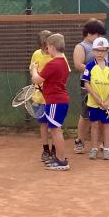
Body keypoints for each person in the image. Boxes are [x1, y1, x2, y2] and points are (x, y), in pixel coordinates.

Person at [31, 33, 71, 171]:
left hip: (55, 101)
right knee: (55, 130)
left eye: (48, 47)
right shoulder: (63, 63)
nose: (46, 50)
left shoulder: (53, 63)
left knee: (55, 131)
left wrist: (34, 69)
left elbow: (36, 79)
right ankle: (59, 159)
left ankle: (61, 161)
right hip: (60, 100)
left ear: (52, 47)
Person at [71, 18, 107, 154]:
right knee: (86, 115)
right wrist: (96, 72)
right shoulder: (81, 47)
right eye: (98, 35)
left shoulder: (102, 46)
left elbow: (106, 64)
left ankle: (106, 142)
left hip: (104, 86)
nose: (100, 37)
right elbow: (78, 65)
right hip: (87, 85)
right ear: (90, 34)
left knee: (104, 113)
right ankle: (80, 141)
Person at [82, 36, 109, 160]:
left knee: (106, 125)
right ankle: (94, 149)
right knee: (94, 125)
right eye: (97, 50)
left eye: (102, 50)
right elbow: (86, 84)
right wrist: (97, 99)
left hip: (107, 104)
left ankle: (106, 149)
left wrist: (108, 100)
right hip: (93, 103)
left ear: (107, 51)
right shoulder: (89, 66)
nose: (99, 53)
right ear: (93, 51)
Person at [29, 29, 57, 164]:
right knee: (44, 125)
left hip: (53, 98)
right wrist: (37, 79)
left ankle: (55, 150)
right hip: (39, 98)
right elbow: (32, 69)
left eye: (48, 47)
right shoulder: (36, 54)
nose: (46, 50)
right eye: (43, 47)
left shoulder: (56, 57)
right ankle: (46, 150)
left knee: (55, 127)